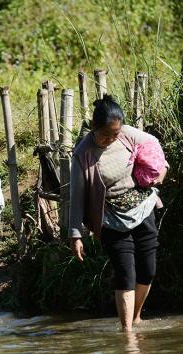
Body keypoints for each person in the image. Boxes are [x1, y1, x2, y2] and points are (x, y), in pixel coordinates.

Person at [69, 95, 168, 331]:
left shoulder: (126, 134)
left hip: (142, 208)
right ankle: (127, 333)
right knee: (125, 273)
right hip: (111, 218)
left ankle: (135, 318)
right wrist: (75, 234)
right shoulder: (83, 154)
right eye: (106, 134)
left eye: (116, 133)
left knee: (149, 269)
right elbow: (77, 196)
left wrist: (162, 169)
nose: (112, 138)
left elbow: (154, 150)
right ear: (94, 127)